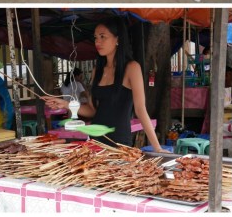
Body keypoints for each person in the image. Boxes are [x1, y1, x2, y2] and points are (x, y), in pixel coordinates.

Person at [43, 18, 165, 152]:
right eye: (95, 37)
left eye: (102, 37)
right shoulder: (97, 70)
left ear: (117, 39)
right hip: (95, 140)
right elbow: (92, 110)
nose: (97, 42)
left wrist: (157, 148)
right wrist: (65, 104)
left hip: (119, 142)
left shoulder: (132, 68)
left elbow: (140, 110)